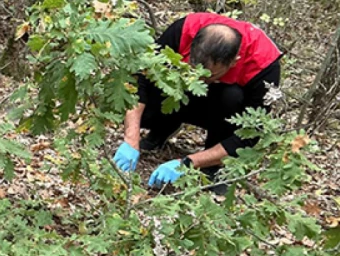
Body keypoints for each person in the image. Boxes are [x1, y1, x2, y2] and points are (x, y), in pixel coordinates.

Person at [113, 12, 282, 188]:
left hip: (223, 110)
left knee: (232, 96)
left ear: (234, 62)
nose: (198, 79)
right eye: (193, 69)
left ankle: (213, 165)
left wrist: (188, 162)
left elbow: (249, 134)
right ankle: (162, 128)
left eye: (208, 75)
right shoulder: (184, 30)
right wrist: (131, 138)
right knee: (159, 77)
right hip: (180, 97)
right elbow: (141, 77)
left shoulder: (263, 64)